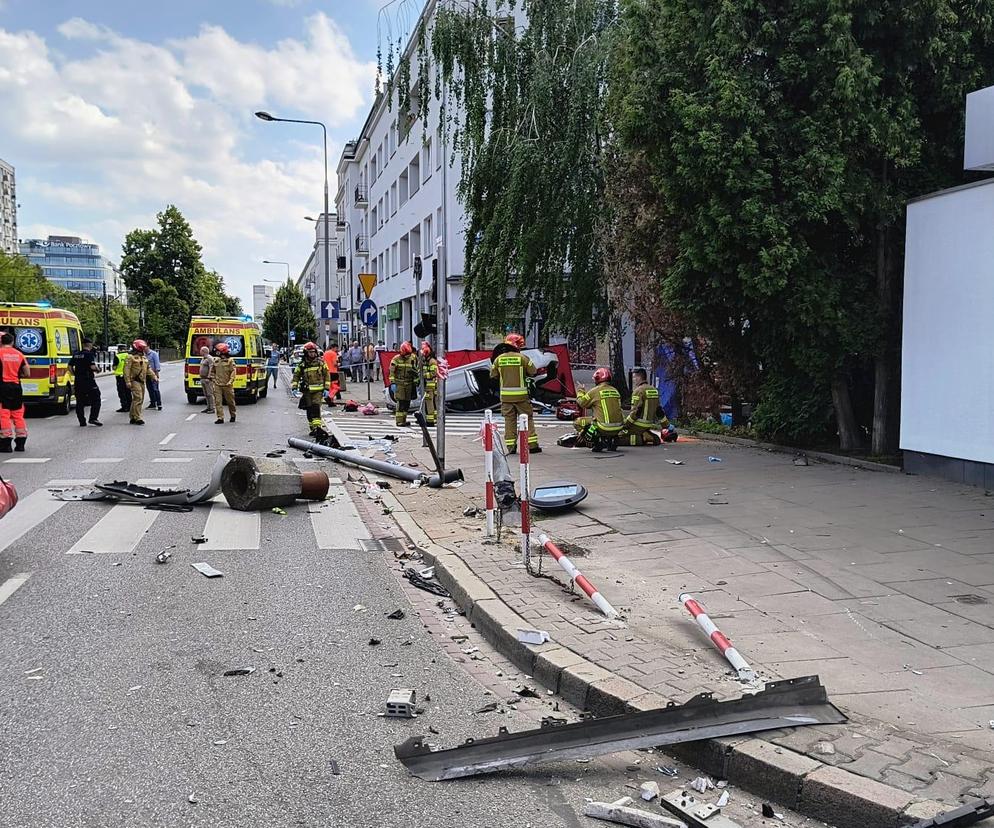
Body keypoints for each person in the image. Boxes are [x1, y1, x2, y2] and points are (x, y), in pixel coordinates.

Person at [489, 333, 541, 453]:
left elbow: (493, 375)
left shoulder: (498, 360)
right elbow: (533, 372)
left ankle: (511, 447)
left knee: (509, 421)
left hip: (506, 397)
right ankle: (532, 446)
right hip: (522, 396)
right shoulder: (523, 358)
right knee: (528, 419)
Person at [574, 367, 625, 451]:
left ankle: (597, 442)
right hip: (619, 427)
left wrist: (580, 391)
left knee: (578, 422)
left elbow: (581, 403)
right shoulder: (615, 391)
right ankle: (610, 440)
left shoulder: (595, 391)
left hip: (603, 427)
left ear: (598, 379)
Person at [621, 368, 667, 446]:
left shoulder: (638, 391)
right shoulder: (654, 390)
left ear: (639, 377)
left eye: (634, 377)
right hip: (648, 424)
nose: (633, 379)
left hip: (638, 424)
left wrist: (626, 424)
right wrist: (665, 425)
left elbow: (636, 412)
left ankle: (641, 439)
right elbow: (659, 410)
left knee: (620, 435)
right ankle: (647, 435)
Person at [293, 342, 331, 436]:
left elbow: (327, 375)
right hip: (307, 391)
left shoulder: (321, 363)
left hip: (318, 391)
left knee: (316, 407)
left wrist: (326, 388)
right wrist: (294, 387)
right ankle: (312, 428)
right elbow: (296, 376)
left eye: (313, 352)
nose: (312, 354)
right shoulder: (302, 365)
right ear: (306, 353)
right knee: (309, 410)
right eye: (310, 352)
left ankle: (318, 428)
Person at [0, 331, 29, 452]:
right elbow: (27, 373)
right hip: (16, 387)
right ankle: (21, 443)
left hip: (2, 387)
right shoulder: (19, 355)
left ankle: (6, 443)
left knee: (4, 414)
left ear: (1, 341)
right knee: (18, 414)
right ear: (12, 342)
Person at [68, 337, 102, 427]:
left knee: (80, 401)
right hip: (88, 381)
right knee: (96, 398)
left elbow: (70, 366)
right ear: (90, 344)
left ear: (82, 344)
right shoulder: (89, 354)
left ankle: (82, 421)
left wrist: (75, 374)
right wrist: (98, 369)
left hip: (78, 381)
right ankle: (93, 418)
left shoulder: (76, 354)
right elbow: (93, 367)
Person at [389, 341, 418, 427]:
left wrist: (416, 380)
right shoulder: (396, 359)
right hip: (400, 384)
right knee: (401, 402)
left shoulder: (412, 358)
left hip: (409, 383)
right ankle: (399, 421)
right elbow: (391, 372)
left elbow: (415, 370)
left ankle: (404, 420)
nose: (407, 356)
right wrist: (393, 383)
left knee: (407, 403)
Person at [210, 342, 237, 424]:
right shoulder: (216, 361)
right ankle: (220, 418)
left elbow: (233, 372)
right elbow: (212, 372)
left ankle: (233, 415)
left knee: (230, 402)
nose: (216, 352)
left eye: (218, 351)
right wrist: (214, 380)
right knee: (218, 402)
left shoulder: (230, 361)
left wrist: (230, 381)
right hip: (218, 385)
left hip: (227, 385)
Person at [124, 339, 149, 425]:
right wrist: (127, 381)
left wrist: (154, 376)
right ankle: (138, 417)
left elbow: (148, 369)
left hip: (142, 381)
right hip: (134, 380)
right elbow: (126, 370)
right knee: (138, 398)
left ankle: (132, 417)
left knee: (139, 399)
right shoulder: (130, 357)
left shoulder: (144, 357)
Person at [419, 341, 439, 426]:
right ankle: (433, 419)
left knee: (430, 402)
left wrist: (424, 375)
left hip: (431, 385)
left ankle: (430, 421)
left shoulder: (432, 361)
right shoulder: (426, 360)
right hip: (428, 385)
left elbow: (433, 373)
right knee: (432, 402)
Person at [113, 348, 131, 412]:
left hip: (120, 376)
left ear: (119, 350)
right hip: (128, 376)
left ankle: (124, 406)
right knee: (128, 391)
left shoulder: (117, 356)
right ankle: (130, 405)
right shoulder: (129, 355)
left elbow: (114, 367)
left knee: (121, 392)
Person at [145, 344, 162, 411]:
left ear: (148, 347)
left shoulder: (154, 354)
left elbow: (157, 364)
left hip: (153, 374)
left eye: (145, 347)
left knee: (155, 389)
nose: (144, 349)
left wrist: (157, 374)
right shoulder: (144, 355)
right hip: (147, 375)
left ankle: (159, 404)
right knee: (150, 389)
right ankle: (152, 403)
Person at [199, 346, 215, 414]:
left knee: (210, 394)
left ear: (204, 351)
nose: (200, 352)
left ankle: (212, 408)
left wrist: (209, 377)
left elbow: (211, 368)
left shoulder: (209, 358)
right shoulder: (203, 358)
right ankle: (208, 407)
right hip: (203, 378)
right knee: (206, 394)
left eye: (201, 350)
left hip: (207, 379)